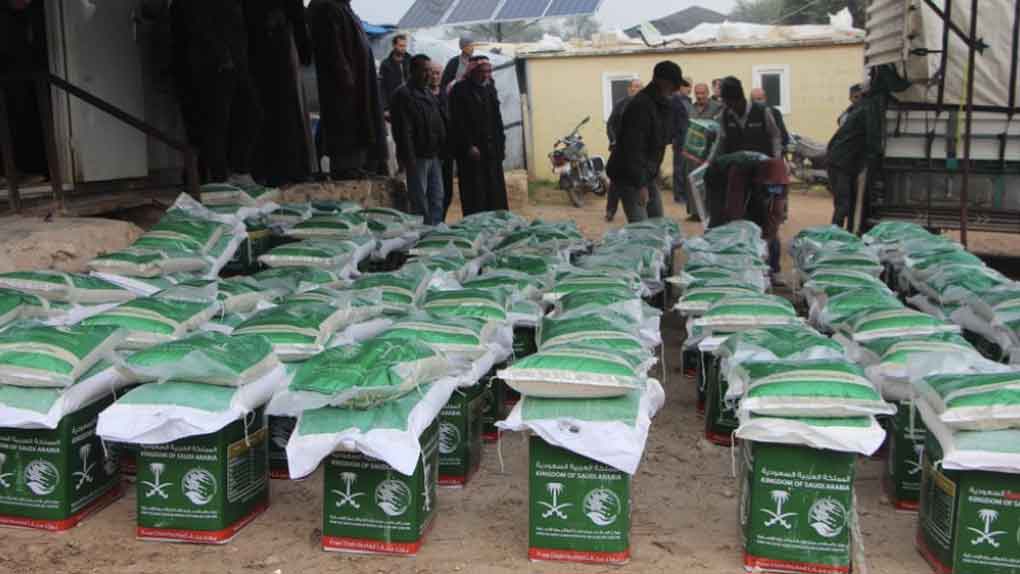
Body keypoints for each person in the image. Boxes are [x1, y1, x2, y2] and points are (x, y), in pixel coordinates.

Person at [173, 0, 262, 184]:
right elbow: (198, 23)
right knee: (216, 124)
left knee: (251, 114)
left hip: (236, 61)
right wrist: (220, 54)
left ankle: (239, 168)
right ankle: (219, 177)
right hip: (212, 64)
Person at [307, 0, 387, 179]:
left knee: (358, 122)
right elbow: (332, 49)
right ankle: (345, 166)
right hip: (344, 83)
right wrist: (345, 75)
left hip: (356, 79)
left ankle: (354, 165)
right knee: (345, 123)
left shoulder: (343, 9)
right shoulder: (327, 8)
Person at [715, 77, 785, 274]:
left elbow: (775, 136)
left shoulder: (762, 112)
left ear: (739, 98)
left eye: (730, 102)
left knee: (769, 220)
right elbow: (721, 142)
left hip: (767, 176)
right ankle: (747, 269)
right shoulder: (725, 116)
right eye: (725, 102)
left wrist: (775, 163)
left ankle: (773, 269)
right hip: (739, 176)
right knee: (739, 218)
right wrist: (712, 164)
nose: (728, 106)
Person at [605, 61, 683, 223]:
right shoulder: (641, 106)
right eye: (674, 84)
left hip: (646, 173)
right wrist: (640, 185)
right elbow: (634, 149)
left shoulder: (659, 104)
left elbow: (660, 139)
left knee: (657, 223)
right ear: (662, 81)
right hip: (630, 175)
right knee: (642, 228)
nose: (676, 90)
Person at [245, 0, 313, 186]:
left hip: (260, 54)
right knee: (283, 112)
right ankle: (285, 169)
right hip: (276, 54)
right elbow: (297, 19)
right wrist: (304, 49)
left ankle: (275, 169)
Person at [448, 55, 508, 216]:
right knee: (475, 192)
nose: (486, 75)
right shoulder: (459, 90)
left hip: (491, 149)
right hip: (470, 151)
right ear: (473, 71)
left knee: (495, 191)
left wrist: (501, 145)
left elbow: (497, 119)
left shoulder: (490, 88)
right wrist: (468, 145)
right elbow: (457, 122)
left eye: (489, 71)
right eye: (483, 72)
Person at [390, 54, 447, 225]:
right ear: (412, 71)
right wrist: (409, 159)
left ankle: (435, 232)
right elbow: (403, 132)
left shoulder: (427, 93)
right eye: (425, 71)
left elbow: (438, 122)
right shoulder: (403, 94)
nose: (429, 75)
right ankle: (422, 234)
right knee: (419, 201)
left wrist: (442, 148)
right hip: (417, 157)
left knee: (437, 197)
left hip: (433, 155)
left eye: (430, 70)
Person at [827, 80, 881, 232]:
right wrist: (877, 157)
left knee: (849, 203)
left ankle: (848, 233)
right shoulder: (865, 109)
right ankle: (833, 235)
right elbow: (872, 139)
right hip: (841, 162)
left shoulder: (858, 109)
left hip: (844, 161)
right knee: (844, 204)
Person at [604, 78, 642, 221]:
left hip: (639, 151)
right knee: (616, 180)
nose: (636, 89)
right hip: (620, 149)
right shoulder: (621, 104)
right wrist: (613, 140)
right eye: (634, 87)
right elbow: (610, 125)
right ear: (629, 89)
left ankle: (639, 213)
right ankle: (610, 210)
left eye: (639, 87)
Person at [671, 78, 692, 204]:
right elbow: (672, 120)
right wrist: (673, 138)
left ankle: (685, 193)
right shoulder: (674, 100)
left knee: (685, 167)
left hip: (688, 138)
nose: (689, 89)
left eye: (690, 86)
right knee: (679, 168)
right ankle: (678, 195)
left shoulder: (688, 100)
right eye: (687, 86)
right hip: (679, 139)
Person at [379, 33, 410, 115]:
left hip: (410, 103)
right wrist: (385, 108)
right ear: (394, 45)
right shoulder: (386, 64)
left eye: (405, 46)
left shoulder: (411, 60)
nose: (403, 48)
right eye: (401, 46)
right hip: (394, 103)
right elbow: (382, 87)